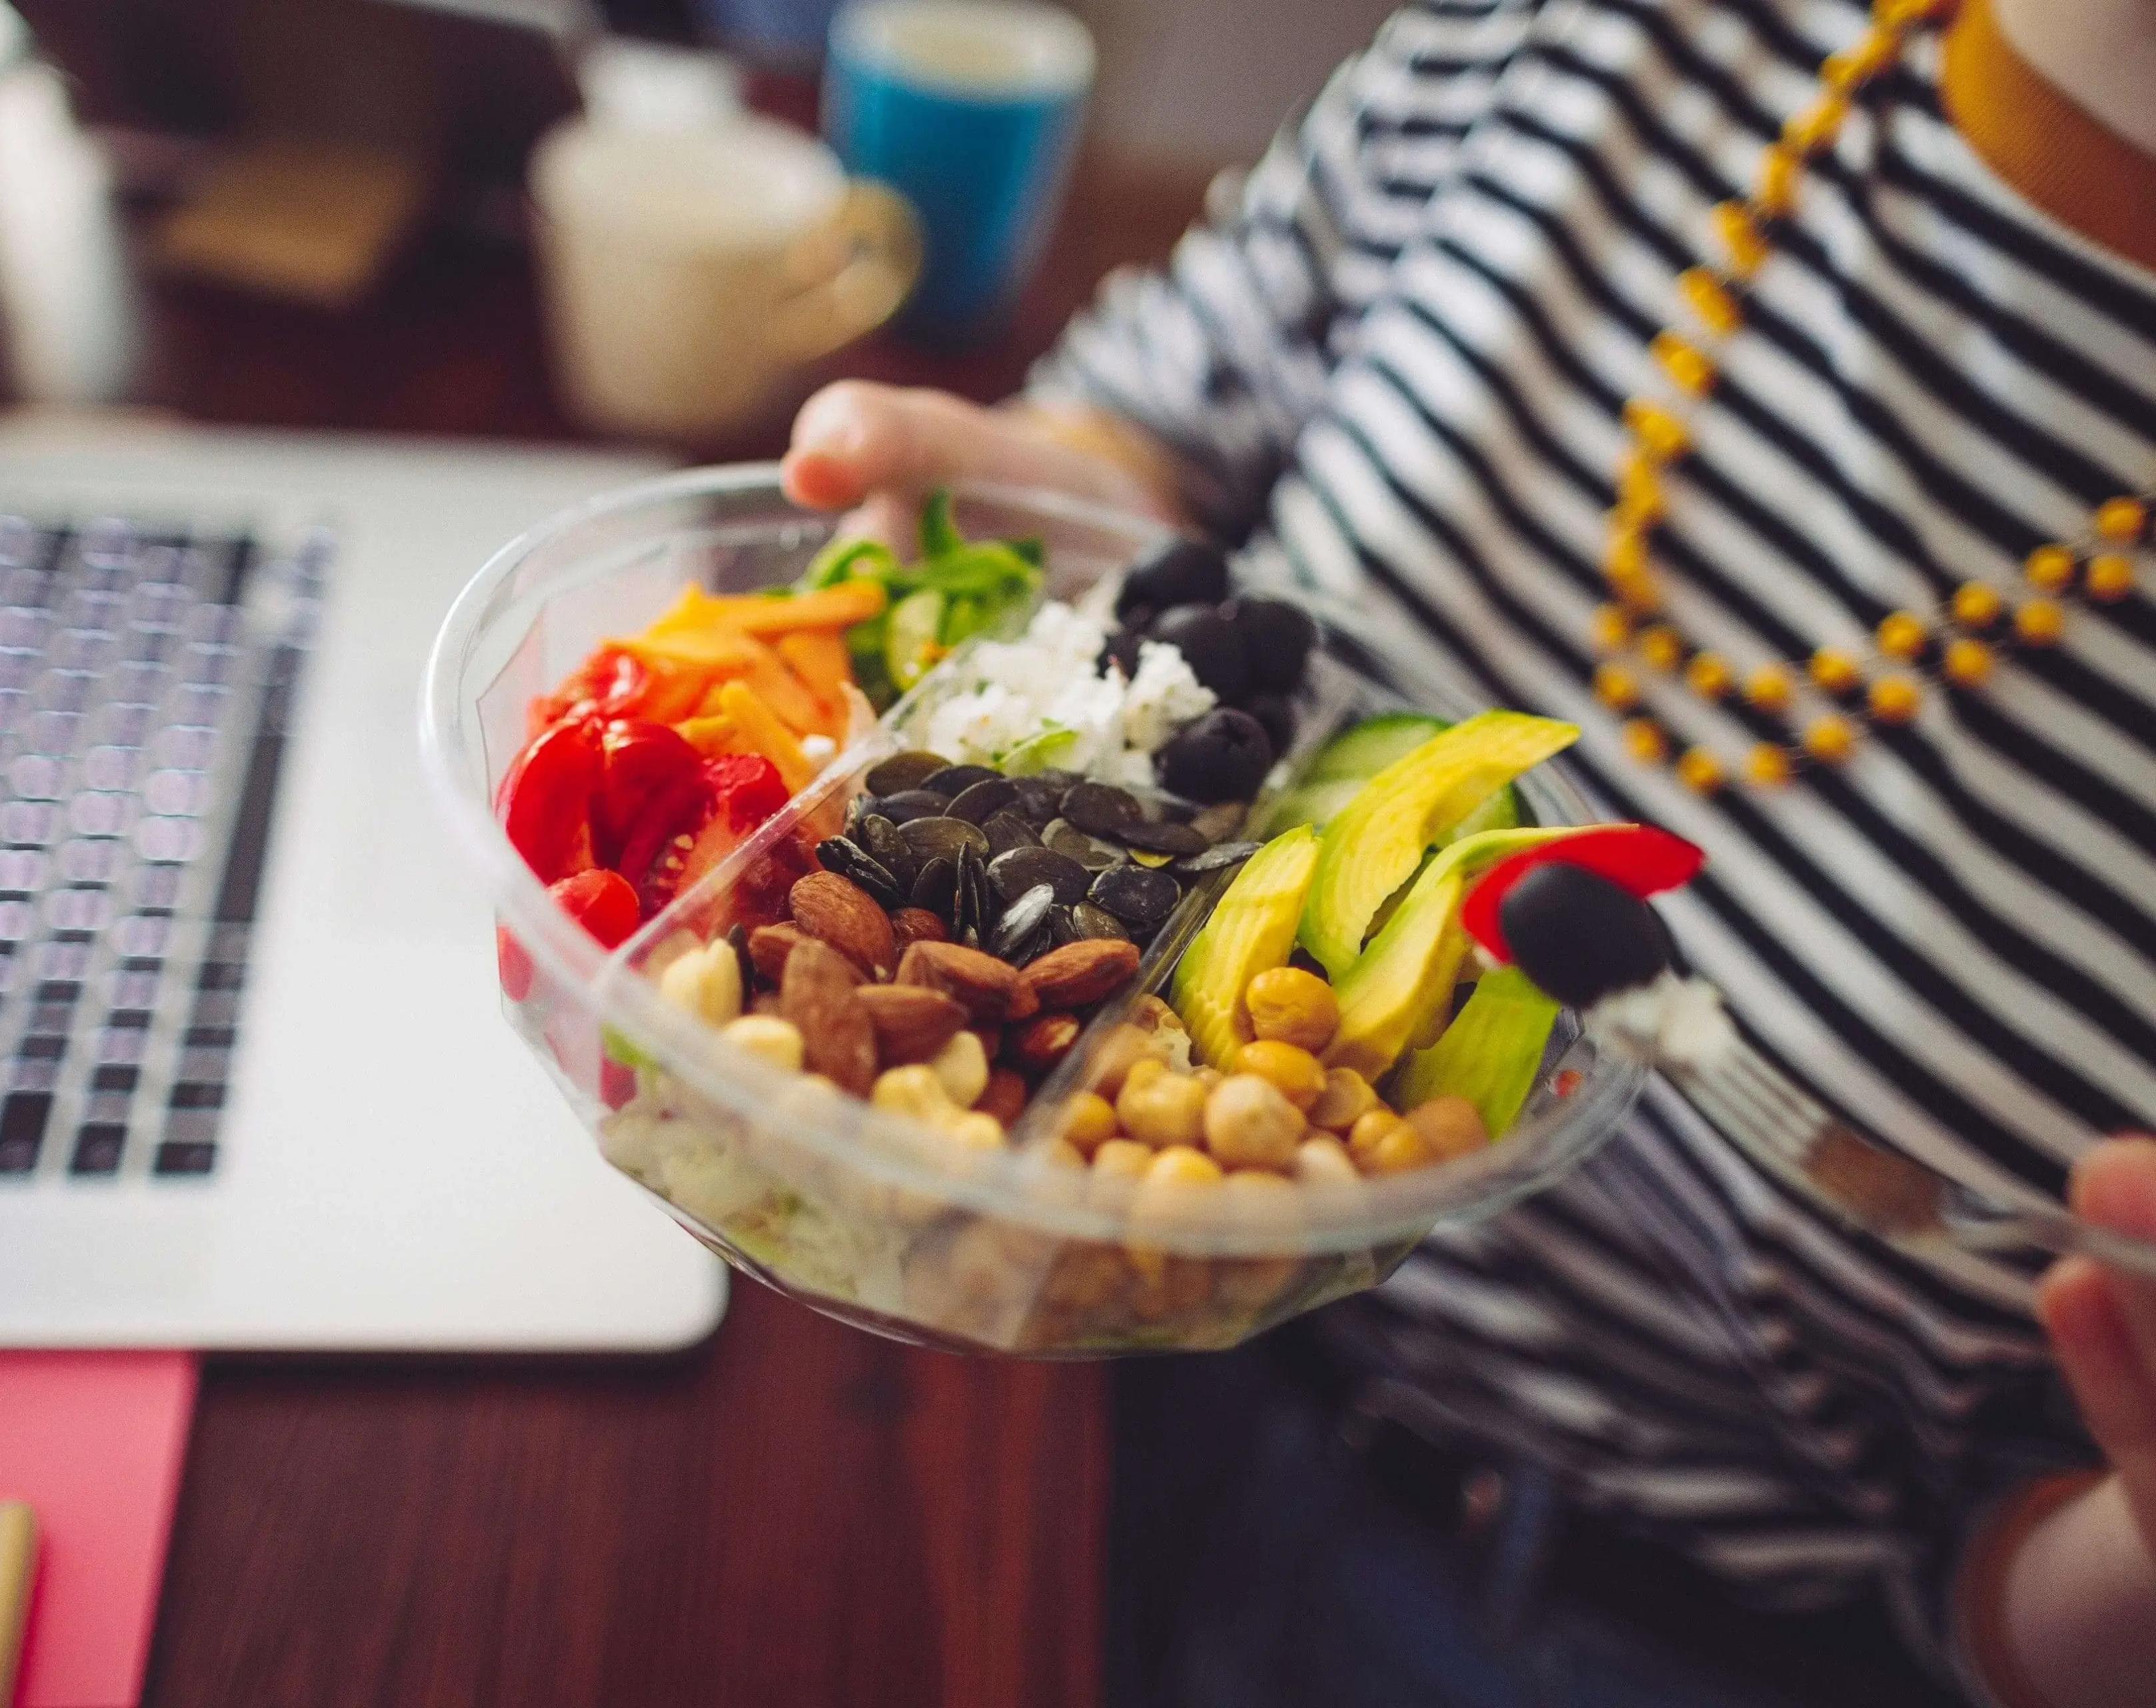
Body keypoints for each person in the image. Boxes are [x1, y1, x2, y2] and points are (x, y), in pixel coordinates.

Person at [779, 0, 2156, 1701]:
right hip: (1071, 1349)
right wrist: (1031, 524)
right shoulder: (1591, 40)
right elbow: (1155, 431)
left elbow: (2003, 1600)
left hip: (1639, 1629)